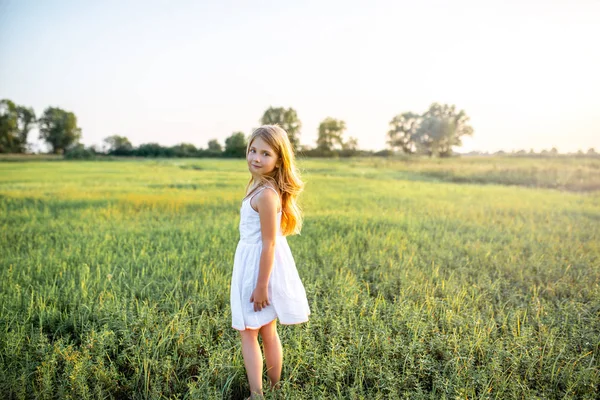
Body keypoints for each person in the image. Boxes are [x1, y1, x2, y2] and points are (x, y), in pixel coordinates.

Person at [230, 125, 311, 399]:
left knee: (249, 333)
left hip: (257, 270)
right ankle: (275, 390)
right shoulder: (261, 187)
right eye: (253, 150)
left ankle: (258, 394)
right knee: (266, 330)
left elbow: (269, 244)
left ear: (278, 160)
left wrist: (261, 286)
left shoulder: (266, 194)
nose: (255, 157)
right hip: (256, 264)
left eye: (265, 153)